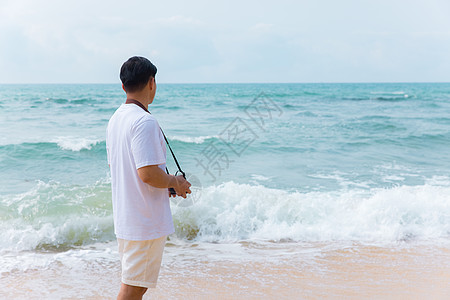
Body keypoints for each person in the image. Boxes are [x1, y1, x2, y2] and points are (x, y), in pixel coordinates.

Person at [106, 56, 191, 300]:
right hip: (144, 221)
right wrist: (175, 182)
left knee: (136, 285)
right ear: (152, 82)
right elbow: (148, 174)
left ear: (124, 86)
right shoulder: (144, 121)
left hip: (128, 217)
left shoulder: (116, 119)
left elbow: (124, 169)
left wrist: (165, 185)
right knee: (132, 288)